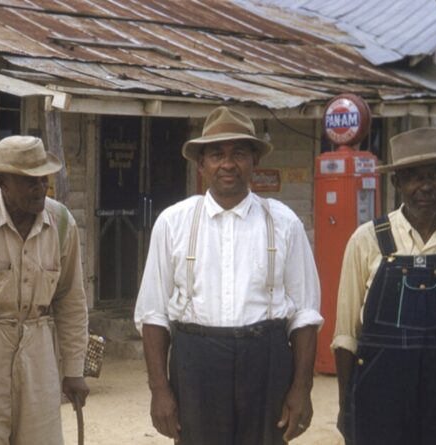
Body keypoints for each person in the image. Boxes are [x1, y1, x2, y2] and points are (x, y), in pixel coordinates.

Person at [135, 106, 323, 445]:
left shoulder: (284, 223)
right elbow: (153, 314)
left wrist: (301, 388)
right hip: (196, 362)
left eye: (238, 153)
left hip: (265, 359)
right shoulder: (173, 222)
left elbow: (305, 315)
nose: (228, 163)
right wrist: (159, 390)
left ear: (253, 161)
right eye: (217, 154)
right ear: (201, 164)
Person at [333, 127, 436, 445]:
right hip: (382, 395)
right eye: (413, 177)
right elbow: (345, 336)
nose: (425, 186)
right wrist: (347, 407)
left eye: (434, 175)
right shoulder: (367, 239)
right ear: (396, 182)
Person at [0, 135, 89, 445]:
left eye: (43, 179)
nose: (40, 188)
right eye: (29, 181)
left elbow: (71, 301)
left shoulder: (61, 223)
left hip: (38, 344)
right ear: (2, 180)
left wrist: (73, 369)